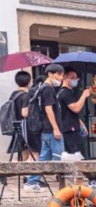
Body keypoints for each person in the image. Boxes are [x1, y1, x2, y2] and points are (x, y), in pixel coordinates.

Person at [56, 68, 96, 187]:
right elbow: (76, 108)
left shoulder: (63, 92)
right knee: (79, 153)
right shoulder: (65, 93)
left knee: (74, 154)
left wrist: (80, 122)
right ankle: (92, 178)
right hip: (69, 128)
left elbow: (68, 112)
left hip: (71, 126)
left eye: (76, 78)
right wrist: (84, 95)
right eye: (72, 78)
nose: (75, 80)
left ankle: (88, 178)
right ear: (65, 78)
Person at [24, 63, 65, 191]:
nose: (61, 78)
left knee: (44, 158)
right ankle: (63, 186)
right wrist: (56, 128)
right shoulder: (48, 89)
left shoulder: (42, 88)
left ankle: (31, 181)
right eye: (59, 74)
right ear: (50, 74)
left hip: (46, 130)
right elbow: (48, 109)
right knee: (60, 158)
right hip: (51, 129)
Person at [6, 71, 31, 160]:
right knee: (25, 153)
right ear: (29, 81)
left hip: (15, 124)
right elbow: (24, 113)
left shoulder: (14, 94)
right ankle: (21, 171)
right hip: (23, 126)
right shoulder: (25, 95)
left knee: (20, 152)